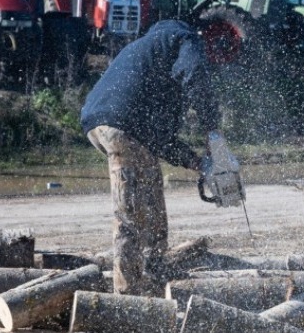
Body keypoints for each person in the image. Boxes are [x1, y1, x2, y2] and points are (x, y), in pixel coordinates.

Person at [81, 18, 222, 296]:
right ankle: (128, 294)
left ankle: (155, 271)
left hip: (99, 123)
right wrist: (212, 131)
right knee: (130, 211)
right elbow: (194, 75)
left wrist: (198, 163)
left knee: (151, 191)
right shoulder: (183, 37)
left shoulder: (150, 58)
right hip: (120, 124)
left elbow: (159, 140)